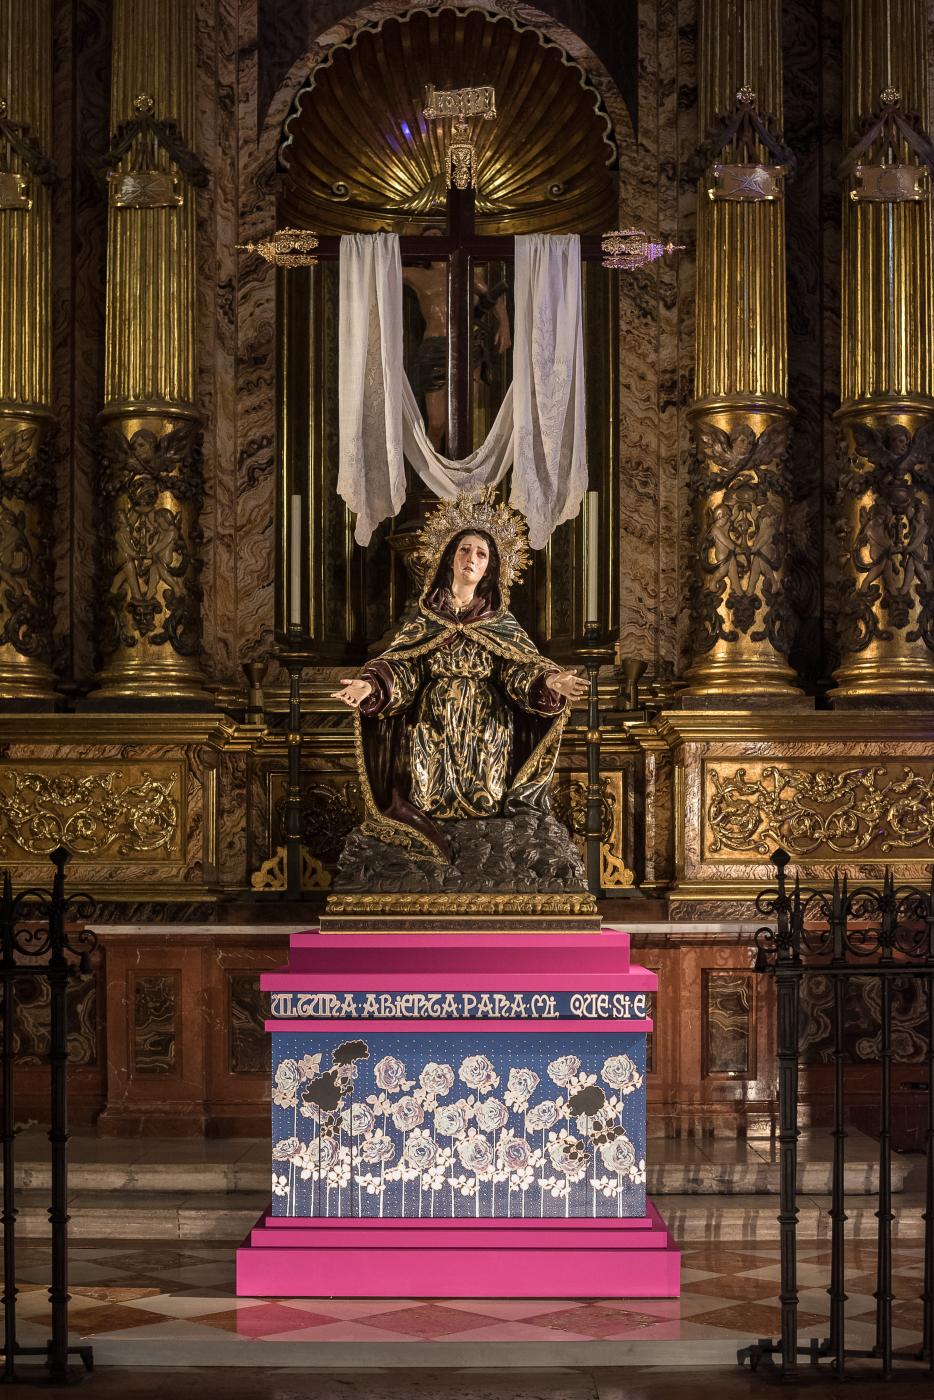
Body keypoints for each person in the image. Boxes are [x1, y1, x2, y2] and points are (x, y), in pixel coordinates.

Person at [332, 489, 587, 861]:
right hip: (433, 725)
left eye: (481, 554)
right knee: (431, 793)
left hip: (487, 728)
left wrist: (548, 681)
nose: (472, 558)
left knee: (487, 810)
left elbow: (519, 670)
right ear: (449, 558)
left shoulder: (499, 621)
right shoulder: (425, 619)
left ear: (489, 569)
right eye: (465, 550)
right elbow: (403, 670)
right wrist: (372, 686)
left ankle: (484, 851)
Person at [403, 227, 511, 451]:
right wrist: (403, 237)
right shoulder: (416, 274)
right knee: (436, 423)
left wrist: (505, 327)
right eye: (428, 238)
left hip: (465, 345)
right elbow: (381, 264)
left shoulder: (463, 271)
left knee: (464, 415)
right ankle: (433, 478)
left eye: (438, 237)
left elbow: (494, 299)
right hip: (434, 348)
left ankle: (461, 471)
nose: (434, 241)